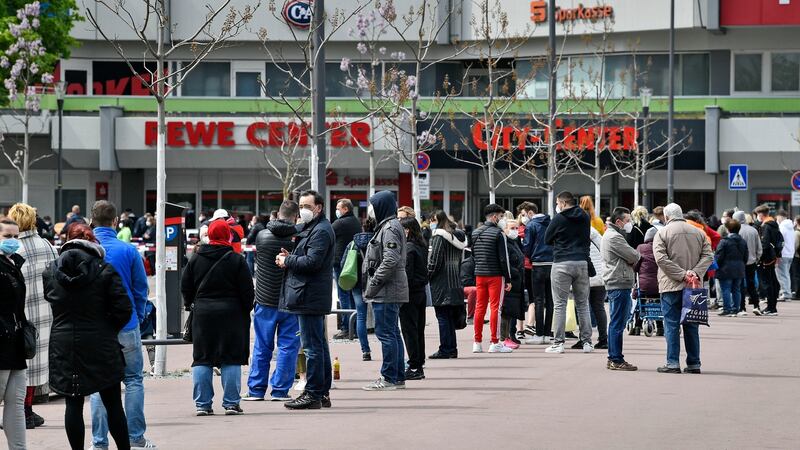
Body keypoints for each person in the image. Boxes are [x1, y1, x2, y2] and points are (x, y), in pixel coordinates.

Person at [43, 224, 132, 450]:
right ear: (92, 242)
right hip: (101, 341)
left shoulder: (51, 271)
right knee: (112, 402)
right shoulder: (105, 269)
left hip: (64, 342)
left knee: (72, 402)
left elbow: (52, 300)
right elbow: (123, 309)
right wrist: (107, 327)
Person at [87, 201, 154, 450]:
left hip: (95, 327)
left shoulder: (87, 250)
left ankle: (99, 442)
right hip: (126, 325)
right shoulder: (128, 251)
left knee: (98, 384)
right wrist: (136, 316)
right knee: (134, 380)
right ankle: (136, 437)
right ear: (116, 221)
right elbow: (140, 290)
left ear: (91, 221)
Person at [181, 220, 254, 416]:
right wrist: (245, 309)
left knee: (202, 358)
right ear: (228, 236)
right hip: (232, 313)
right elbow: (248, 291)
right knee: (231, 358)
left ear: (210, 235)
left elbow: (185, 286)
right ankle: (231, 403)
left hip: (203, 313)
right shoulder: (236, 259)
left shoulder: (196, 258)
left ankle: (203, 404)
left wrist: (191, 304)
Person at [279, 190, 335, 410]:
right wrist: (290, 257)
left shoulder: (320, 230)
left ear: (319, 208)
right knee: (317, 346)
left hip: (310, 295)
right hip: (309, 294)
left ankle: (313, 393)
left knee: (312, 347)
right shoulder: (315, 228)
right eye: (301, 205)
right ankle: (321, 392)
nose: (303, 210)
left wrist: (287, 260)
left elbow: (312, 262)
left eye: (308, 206)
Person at [8, 203, 58, 428]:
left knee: (22, 366)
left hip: (21, 314)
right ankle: (28, 410)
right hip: (45, 312)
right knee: (36, 363)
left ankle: (23, 412)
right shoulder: (47, 244)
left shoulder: (12, 248)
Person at [246, 201, 300, 402]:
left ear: (277, 214)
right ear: (296, 216)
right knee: (288, 346)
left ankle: (256, 390)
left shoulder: (262, 235)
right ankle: (279, 390)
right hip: (290, 300)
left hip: (264, 299)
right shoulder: (299, 238)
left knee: (262, 345)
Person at [652, 203, 713, 374]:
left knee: (671, 325)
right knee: (692, 325)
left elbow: (661, 260)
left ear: (666, 216)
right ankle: (694, 363)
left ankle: (672, 363)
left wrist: (681, 274)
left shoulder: (662, 233)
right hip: (693, 286)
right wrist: (693, 273)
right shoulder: (699, 232)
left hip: (670, 285)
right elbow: (709, 255)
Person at [362, 191, 408, 390]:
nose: (370, 210)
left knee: (386, 333)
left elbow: (390, 258)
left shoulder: (389, 228)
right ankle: (396, 376)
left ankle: (389, 377)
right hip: (390, 288)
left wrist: (374, 283)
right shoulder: (389, 226)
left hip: (387, 289)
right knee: (392, 333)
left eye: (373, 205)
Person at [544, 191, 593, 354]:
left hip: (562, 262)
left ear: (563, 203)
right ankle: (587, 342)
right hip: (581, 262)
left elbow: (547, 239)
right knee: (583, 304)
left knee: (559, 304)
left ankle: (558, 343)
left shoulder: (558, 218)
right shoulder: (585, 217)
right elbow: (587, 239)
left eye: (558, 203)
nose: (557, 206)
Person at [0, 218, 29, 449]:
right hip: (2, 342)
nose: (13, 241)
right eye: (7, 236)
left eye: (16, 236)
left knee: (16, 402)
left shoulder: (14, 264)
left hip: (16, 342)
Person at [601, 207, 640, 371]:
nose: (630, 223)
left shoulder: (613, 235)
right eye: (627, 220)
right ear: (619, 222)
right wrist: (633, 259)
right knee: (618, 322)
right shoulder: (614, 237)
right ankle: (616, 358)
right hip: (619, 281)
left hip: (617, 280)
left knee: (616, 322)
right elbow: (635, 255)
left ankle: (614, 357)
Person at [470, 204, 512, 353]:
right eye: (501, 217)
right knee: (496, 308)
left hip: (479, 274)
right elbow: (504, 259)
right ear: (494, 217)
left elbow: (474, 255)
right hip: (495, 275)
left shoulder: (475, 233)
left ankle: (477, 342)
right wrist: (508, 278)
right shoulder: (499, 234)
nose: (502, 220)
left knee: (479, 308)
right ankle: (495, 342)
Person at [428, 211, 467, 359]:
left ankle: (445, 349)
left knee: (443, 317)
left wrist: (427, 276)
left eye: (431, 220)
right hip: (455, 280)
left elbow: (435, 261)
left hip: (441, 282)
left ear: (436, 220)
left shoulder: (439, 236)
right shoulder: (459, 236)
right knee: (449, 317)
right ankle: (452, 349)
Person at [399, 217, 429, 380]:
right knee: (418, 329)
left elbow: (406, 274)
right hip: (420, 292)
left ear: (407, 230)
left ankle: (414, 365)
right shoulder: (421, 245)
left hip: (409, 293)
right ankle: (418, 362)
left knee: (409, 330)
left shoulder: (409, 248)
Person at [523, 202, 553, 345]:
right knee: (551, 300)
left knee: (539, 299)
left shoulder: (531, 225)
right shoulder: (552, 222)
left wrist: (529, 255)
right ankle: (548, 333)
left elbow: (527, 247)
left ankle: (539, 334)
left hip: (538, 264)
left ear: (530, 213)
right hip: (553, 264)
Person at [332, 199, 363, 340]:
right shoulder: (356, 222)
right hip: (353, 262)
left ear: (345, 209)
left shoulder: (339, 223)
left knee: (343, 295)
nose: (336, 211)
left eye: (338, 208)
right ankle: (355, 326)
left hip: (340, 262)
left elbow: (328, 236)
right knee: (352, 295)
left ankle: (345, 327)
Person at [348, 218, 376, 361]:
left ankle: (365, 351)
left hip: (357, 284)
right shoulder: (378, 241)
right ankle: (387, 349)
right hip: (376, 284)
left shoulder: (353, 244)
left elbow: (344, 264)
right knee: (381, 317)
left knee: (360, 316)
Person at [499, 215, 525, 352]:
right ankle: (503, 338)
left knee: (511, 311)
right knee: (506, 311)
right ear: (505, 229)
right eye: (512, 228)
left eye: (516, 228)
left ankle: (509, 336)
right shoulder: (504, 243)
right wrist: (514, 273)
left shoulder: (515, 242)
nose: (515, 230)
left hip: (516, 281)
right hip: (510, 280)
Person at [715, 219, 748, 317]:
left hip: (726, 269)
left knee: (725, 289)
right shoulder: (743, 241)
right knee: (736, 289)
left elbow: (719, 256)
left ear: (728, 229)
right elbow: (746, 256)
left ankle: (727, 309)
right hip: (739, 268)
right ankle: (735, 309)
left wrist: (717, 266)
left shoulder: (724, 241)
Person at [633, 227, 663, 335]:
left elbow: (635, 265)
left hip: (644, 285)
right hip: (660, 285)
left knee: (642, 301)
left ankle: (637, 326)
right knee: (658, 302)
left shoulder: (641, 248)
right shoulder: (662, 247)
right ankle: (660, 327)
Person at [732, 211, 762, 315]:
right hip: (752, 261)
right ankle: (756, 305)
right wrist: (757, 258)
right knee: (751, 284)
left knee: (739, 285)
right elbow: (759, 247)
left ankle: (742, 308)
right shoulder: (753, 230)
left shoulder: (736, 231)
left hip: (739, 262)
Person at [516, 202, 537, 338]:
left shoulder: (525, 229)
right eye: (521, 215)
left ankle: (525, 327)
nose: (523, 217)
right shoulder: (522, 230)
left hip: (528, 267)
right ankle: (524, 327)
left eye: (524, 214)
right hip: (524, 267)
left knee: (531, 297)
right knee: (527, 297)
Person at [755, 205, 782, 315]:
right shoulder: (775, 224)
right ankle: (772, 306)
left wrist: (760, 258)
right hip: (773, 256)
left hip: (766, 259)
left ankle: (771, 308)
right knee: (773, 282)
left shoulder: (765, 226)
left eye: (758, 214)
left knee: (767, 283)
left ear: (761, 214)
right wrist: (777, 255)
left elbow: (764, 244)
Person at [587, 225, 609, 349]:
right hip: (600, 275)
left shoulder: (578, 232)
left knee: (583, 307)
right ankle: (603, 338)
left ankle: (585, 338)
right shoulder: (597, 235)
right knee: (599, 307)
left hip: (587, 274)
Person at [776, 210, 795, 301]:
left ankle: (786, 293)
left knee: (782, 275)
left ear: (780, 217)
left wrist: (777, 253)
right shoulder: (791, 227)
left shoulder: (782, 227)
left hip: (783, 254)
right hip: (790, 254)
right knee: (786, 274)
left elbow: (779, 240)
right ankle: (786, 292)